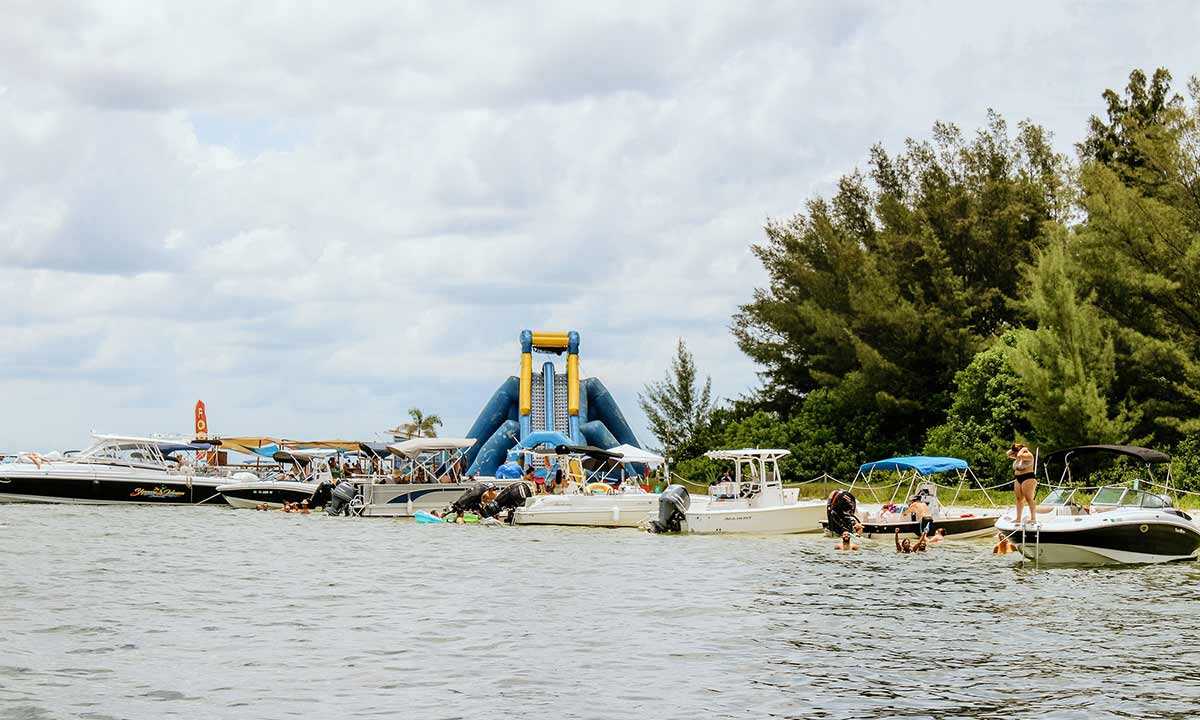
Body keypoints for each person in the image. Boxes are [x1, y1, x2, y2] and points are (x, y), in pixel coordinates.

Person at [1007, 442, 1038, 526]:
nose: (1015, 453)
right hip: (1018, 478)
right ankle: (1018, 518)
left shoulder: (1028, 455)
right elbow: (1008, 454)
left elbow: (1020, 456)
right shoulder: (1017, 455)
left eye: (1017, 450)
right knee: (1018, 498)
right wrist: (1014, 449)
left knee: (1029, 498)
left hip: (1028, 477)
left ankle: (1033, 518)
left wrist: (1024, 449)